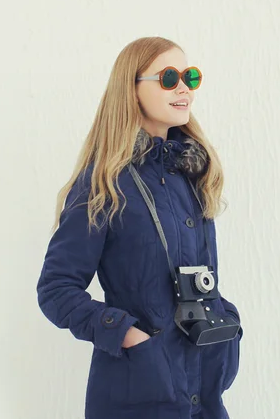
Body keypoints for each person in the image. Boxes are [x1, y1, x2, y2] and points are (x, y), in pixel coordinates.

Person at [36, 36, 243, 419]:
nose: (184, 87)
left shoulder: (194, 176)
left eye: (190, 76)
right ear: (131, 89)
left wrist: (226, 318)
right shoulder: (103, 185)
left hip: (203, 392)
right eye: (168, 77)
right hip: (139, 398)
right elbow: (55, 289)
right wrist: (129, 336)